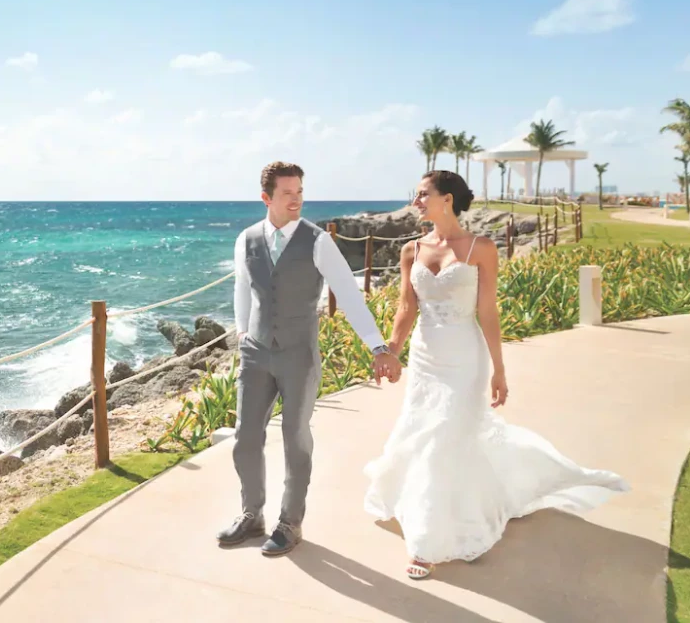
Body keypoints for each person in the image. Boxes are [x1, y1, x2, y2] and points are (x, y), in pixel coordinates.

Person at [363, 170, 630, 579]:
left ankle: (427, 542)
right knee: (423, 433)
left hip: (465, 359)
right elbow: (406, 308)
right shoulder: (412, 249)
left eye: (422, 195)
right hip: (425, 358)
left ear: (446, 199)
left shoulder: (481, 248)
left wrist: (499, 371)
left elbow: (487, 312)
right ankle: (438, 513)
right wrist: (391, 352)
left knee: (443, 439)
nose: (415, 201)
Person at [217, 161, 402, 556]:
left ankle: (290, 522)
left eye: (300, 191)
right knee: (245, 438)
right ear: (267, 197)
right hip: (256, 353)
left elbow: (349, 295)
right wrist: (243, 331)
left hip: (299, 355)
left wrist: (377, 346)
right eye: (287, 193)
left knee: (295, 438)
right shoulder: (246, 239)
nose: (296, 199)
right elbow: (242, 288)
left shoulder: (318, 241)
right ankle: (252, 514)